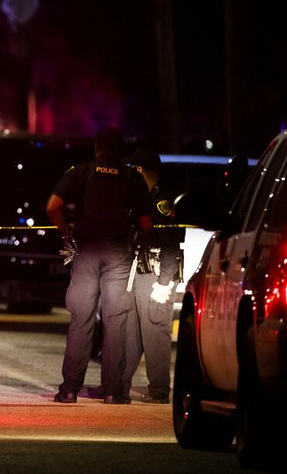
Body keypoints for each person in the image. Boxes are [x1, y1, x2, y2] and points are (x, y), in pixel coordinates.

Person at [46, 126, 152, 404]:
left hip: (87, 251)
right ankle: (114, 391)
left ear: (96, 149)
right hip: (119, 253)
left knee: (81, 321)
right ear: (121, 152)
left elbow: (52, 205)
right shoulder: (132, 177)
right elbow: (145, 222)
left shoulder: (81, 172)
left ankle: (69, 389)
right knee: (115, 322)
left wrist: (66, 233)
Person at [121, 148, 184, 404]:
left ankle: (159, 391)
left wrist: (164, 283)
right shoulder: (141, 197)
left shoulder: (161, 200)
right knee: (131, 333)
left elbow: (170, 244)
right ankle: (117, 386)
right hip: (140, 272)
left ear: (138, 170)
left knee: (155, 331)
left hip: (157, 274)